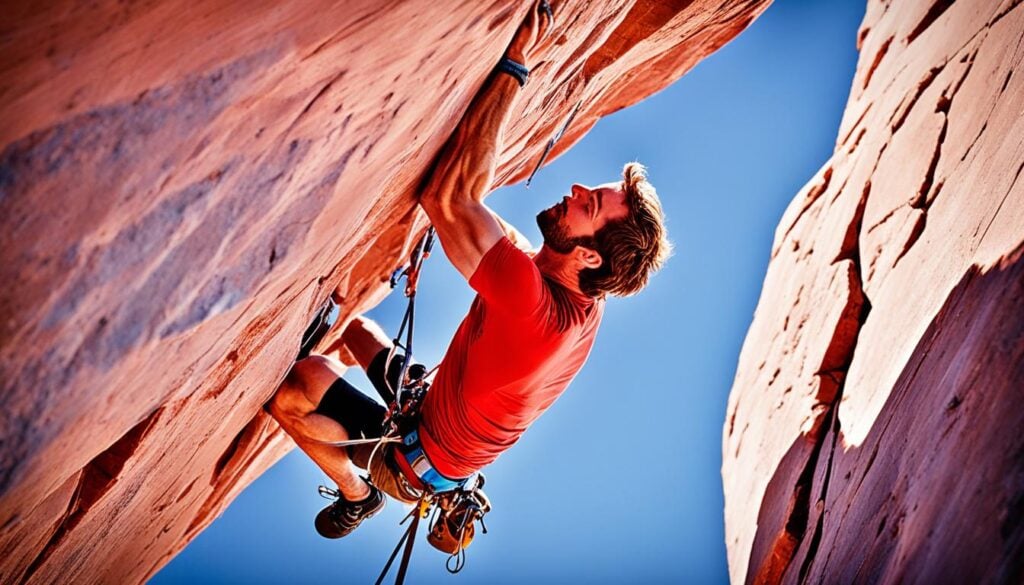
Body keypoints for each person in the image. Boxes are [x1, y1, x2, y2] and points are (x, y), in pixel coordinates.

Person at [267, 0, 671, 538]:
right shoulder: (579, 295)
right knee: (357, 333)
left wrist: (514, 65)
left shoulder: (534, 310)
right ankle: (389, 465)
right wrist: (467, 232)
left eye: (588, 206)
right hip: (434, 416)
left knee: (296, 384)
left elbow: (448, 198)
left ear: (590, 256)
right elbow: (507, 239)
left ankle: (357, 494)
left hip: (411, 463)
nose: (575, 191)